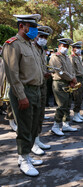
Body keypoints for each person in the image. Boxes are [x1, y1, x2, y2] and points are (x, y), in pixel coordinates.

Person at [2, 14, 44, 177]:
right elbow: (12, 74)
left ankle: (26, 155)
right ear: (21, 26)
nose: (34, 30)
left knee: (34, 125)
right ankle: (23, 158)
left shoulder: (31, 45)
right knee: (25, 127)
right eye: (31, 27)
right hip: (23, 91)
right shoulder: (12, 45)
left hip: (35, 90)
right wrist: (21, 96)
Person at [49, 38, 78, 136]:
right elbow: (60, 72)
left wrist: (72, 79)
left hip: (68, 83)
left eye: (67, 47)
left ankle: (66, 124)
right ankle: (56, 126)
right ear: (59, 46)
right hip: (59, 83)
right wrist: (71, 79)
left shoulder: (66, 57)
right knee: (61, 105)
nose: (65, 48)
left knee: (68, 103)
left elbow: (71, 70)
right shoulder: (55, 57)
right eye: (64, 46)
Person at [32, 25, 53, 155]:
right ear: (35, 36)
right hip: (33, 85)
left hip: (42, 84)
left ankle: (37, 138)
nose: (43, 39)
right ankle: (32, 143)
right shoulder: (31, 48)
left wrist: (46, 72)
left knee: (40, 114)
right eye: (41, 37)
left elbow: (42, 67)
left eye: (45, 37)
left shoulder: (42, 51)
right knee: (33, 116)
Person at [70, 41, 83, 122]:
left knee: (80, 97)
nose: (79, 50)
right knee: (76, 97)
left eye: (80, 48)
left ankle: (78, 113)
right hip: (76, 79)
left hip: (81, 78)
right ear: (73, 49)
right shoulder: (72, 58)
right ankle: (75, 115)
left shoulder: (78, 57)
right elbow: (72, 70)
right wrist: (74, 80)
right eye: (77, 48)